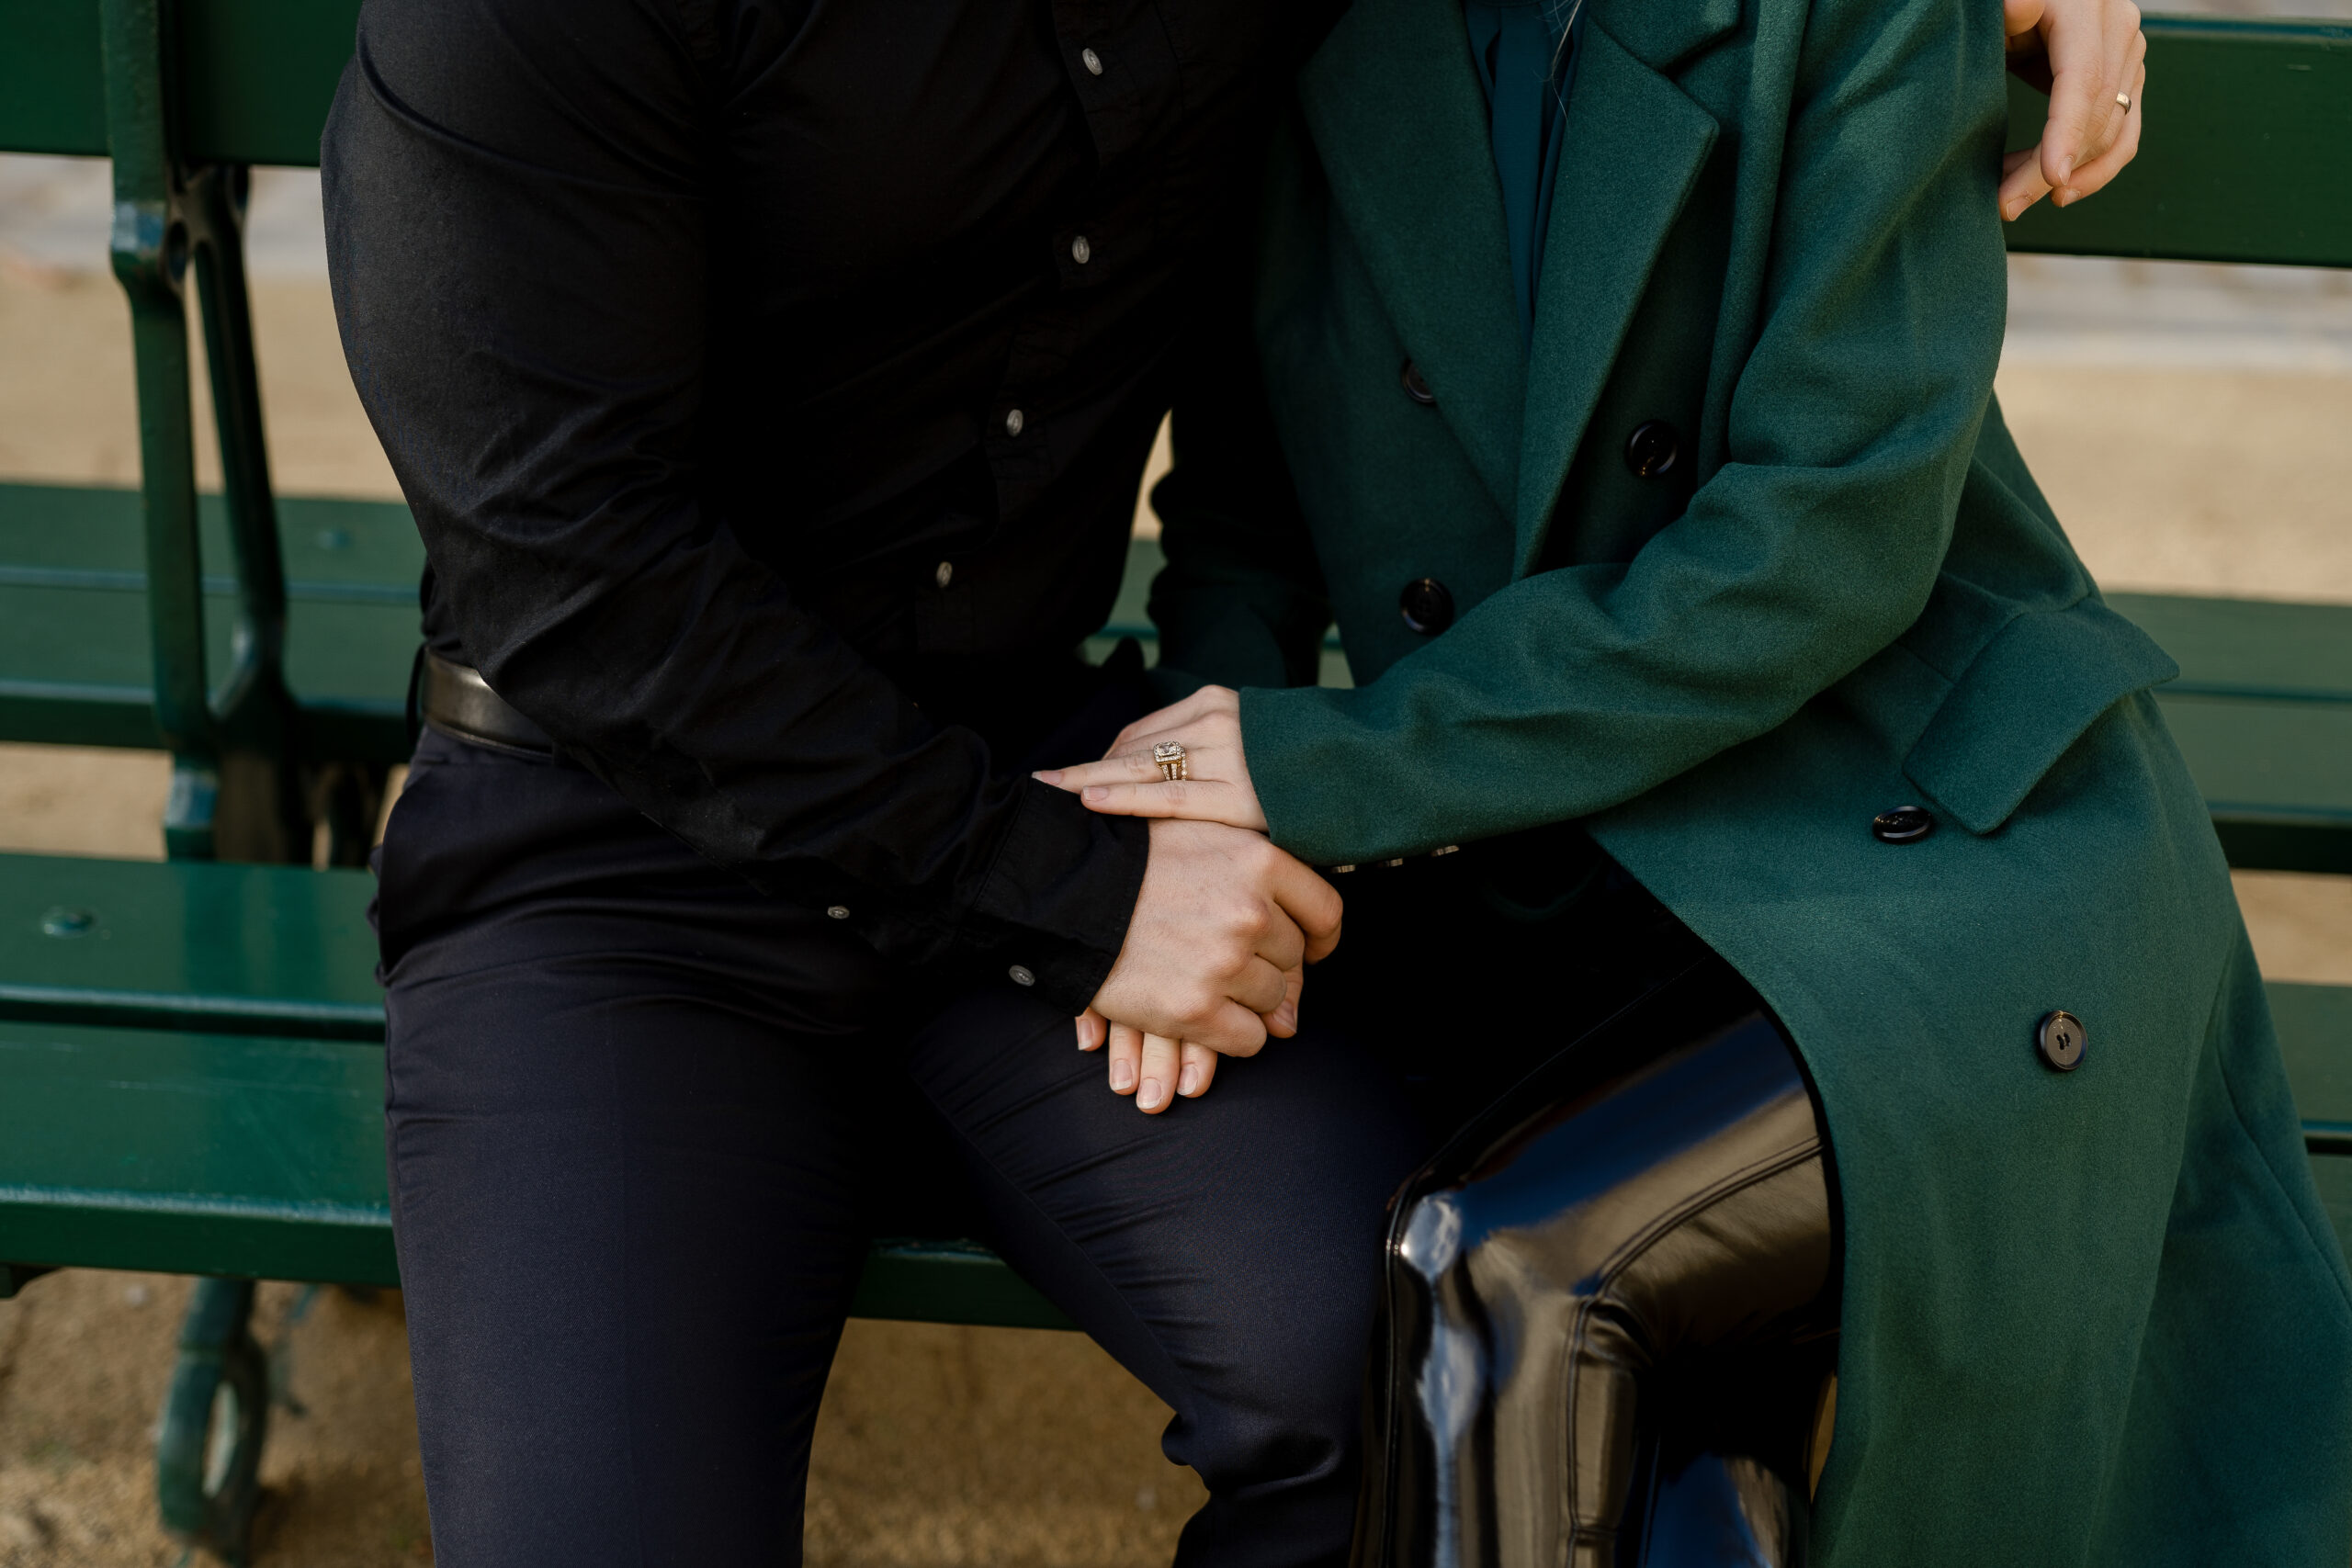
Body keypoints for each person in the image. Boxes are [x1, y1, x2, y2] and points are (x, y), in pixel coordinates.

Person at [320, 0, 2151, 1557]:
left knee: (1380, 1388)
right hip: (630, 859)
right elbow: (563, 565)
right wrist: (1078, 886)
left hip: (1061, 789)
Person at [1041, 0, 2351, 1562]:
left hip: (1934, 858)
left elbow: (1823, 546)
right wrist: (1202, 836)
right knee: (1674, 1471)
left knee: (1506, 1272)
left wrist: (1308, 769)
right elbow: (1243, 523)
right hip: (1566, 877)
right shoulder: (1299, 35)